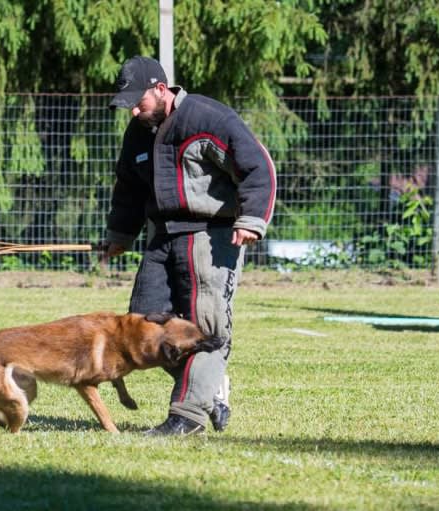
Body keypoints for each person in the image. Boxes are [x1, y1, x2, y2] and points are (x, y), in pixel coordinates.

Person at [101, 56, 276, 435]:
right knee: (143, 327)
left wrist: (250, 220)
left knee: (206, 329)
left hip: (211, 233)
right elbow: (128, 189)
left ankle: (189, 416)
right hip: (161, 236)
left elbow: (257, 167)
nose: (133, 110)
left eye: (138, 101)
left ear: (161, 90)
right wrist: (120, 236)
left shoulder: (208, 119)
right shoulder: (138, 131)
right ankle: (209, 386)